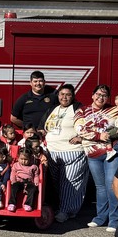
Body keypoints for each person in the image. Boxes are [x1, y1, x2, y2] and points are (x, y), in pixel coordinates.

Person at [74, 84, 118, 231]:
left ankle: (115, 219)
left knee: (111, 184)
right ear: (92, 95)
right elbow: (79, 129)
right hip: (92, 153)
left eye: (104, 95)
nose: (101, 98)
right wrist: (99, 135)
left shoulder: (114, 109)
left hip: (111, 151)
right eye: (98, 94)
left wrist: (110, 133)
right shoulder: (81, 110)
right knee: (100, 187)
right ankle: (100, 217)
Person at [41, 84, 86, 223]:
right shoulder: (52, 109)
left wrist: (81, 137)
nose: (64, 97)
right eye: (62, 94)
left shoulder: (78, 109)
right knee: (57, 184)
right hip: (52, 153)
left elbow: (88, 126)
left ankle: (66, 211)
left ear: (73, 96)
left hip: (71, 153)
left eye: (68, 95)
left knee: (69, 185)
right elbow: (42, 128)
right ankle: (60, 208)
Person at [7, 148, 41, 212]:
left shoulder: (33, 167)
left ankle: (28, 204)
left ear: (30, 159)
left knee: (33, 189)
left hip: (29, 182)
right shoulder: (16, 165)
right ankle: (12, 203)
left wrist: (36, 182)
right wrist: (13, 181)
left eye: (26, 159)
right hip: (19, 181)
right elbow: (13, 173)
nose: (23, 161)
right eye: (21, 159)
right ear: (18, 158)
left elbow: (36, 175)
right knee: (14, 187)